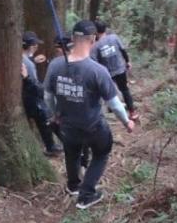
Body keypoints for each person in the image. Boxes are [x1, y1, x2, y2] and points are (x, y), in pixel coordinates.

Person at [45, 20, 135, 209]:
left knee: (72, 152)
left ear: (72, 39)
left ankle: (73, 185)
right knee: (102, 152)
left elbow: (48, 96)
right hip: (92, 126)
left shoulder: (54, 65)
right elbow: (115, 104)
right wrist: (127, 122)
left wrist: (55, 115)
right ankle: (86, 195)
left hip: (67, 125)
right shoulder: (97, 71)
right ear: (93, 39)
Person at [21, 31, 63, 156]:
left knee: (46, 117)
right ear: (32, 46)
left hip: (27, 96)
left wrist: (33, 59)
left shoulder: (23, 59)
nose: (37, 47)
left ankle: (53, 145)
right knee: (47, 116)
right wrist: (43, 92)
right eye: (36, 45)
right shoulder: (28, 64)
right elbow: (32, 83)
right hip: (31, 97)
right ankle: (53, 146)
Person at [91, 21, 137, 121]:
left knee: (108, 93)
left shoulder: (96, 46)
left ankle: (111, 109)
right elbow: (123, 50)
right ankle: (132, 112)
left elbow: (94, 62)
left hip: (107, 74)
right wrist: (128, 61)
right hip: (120, 69)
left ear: (96, 32)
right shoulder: (114, 37)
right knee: (124, 90)